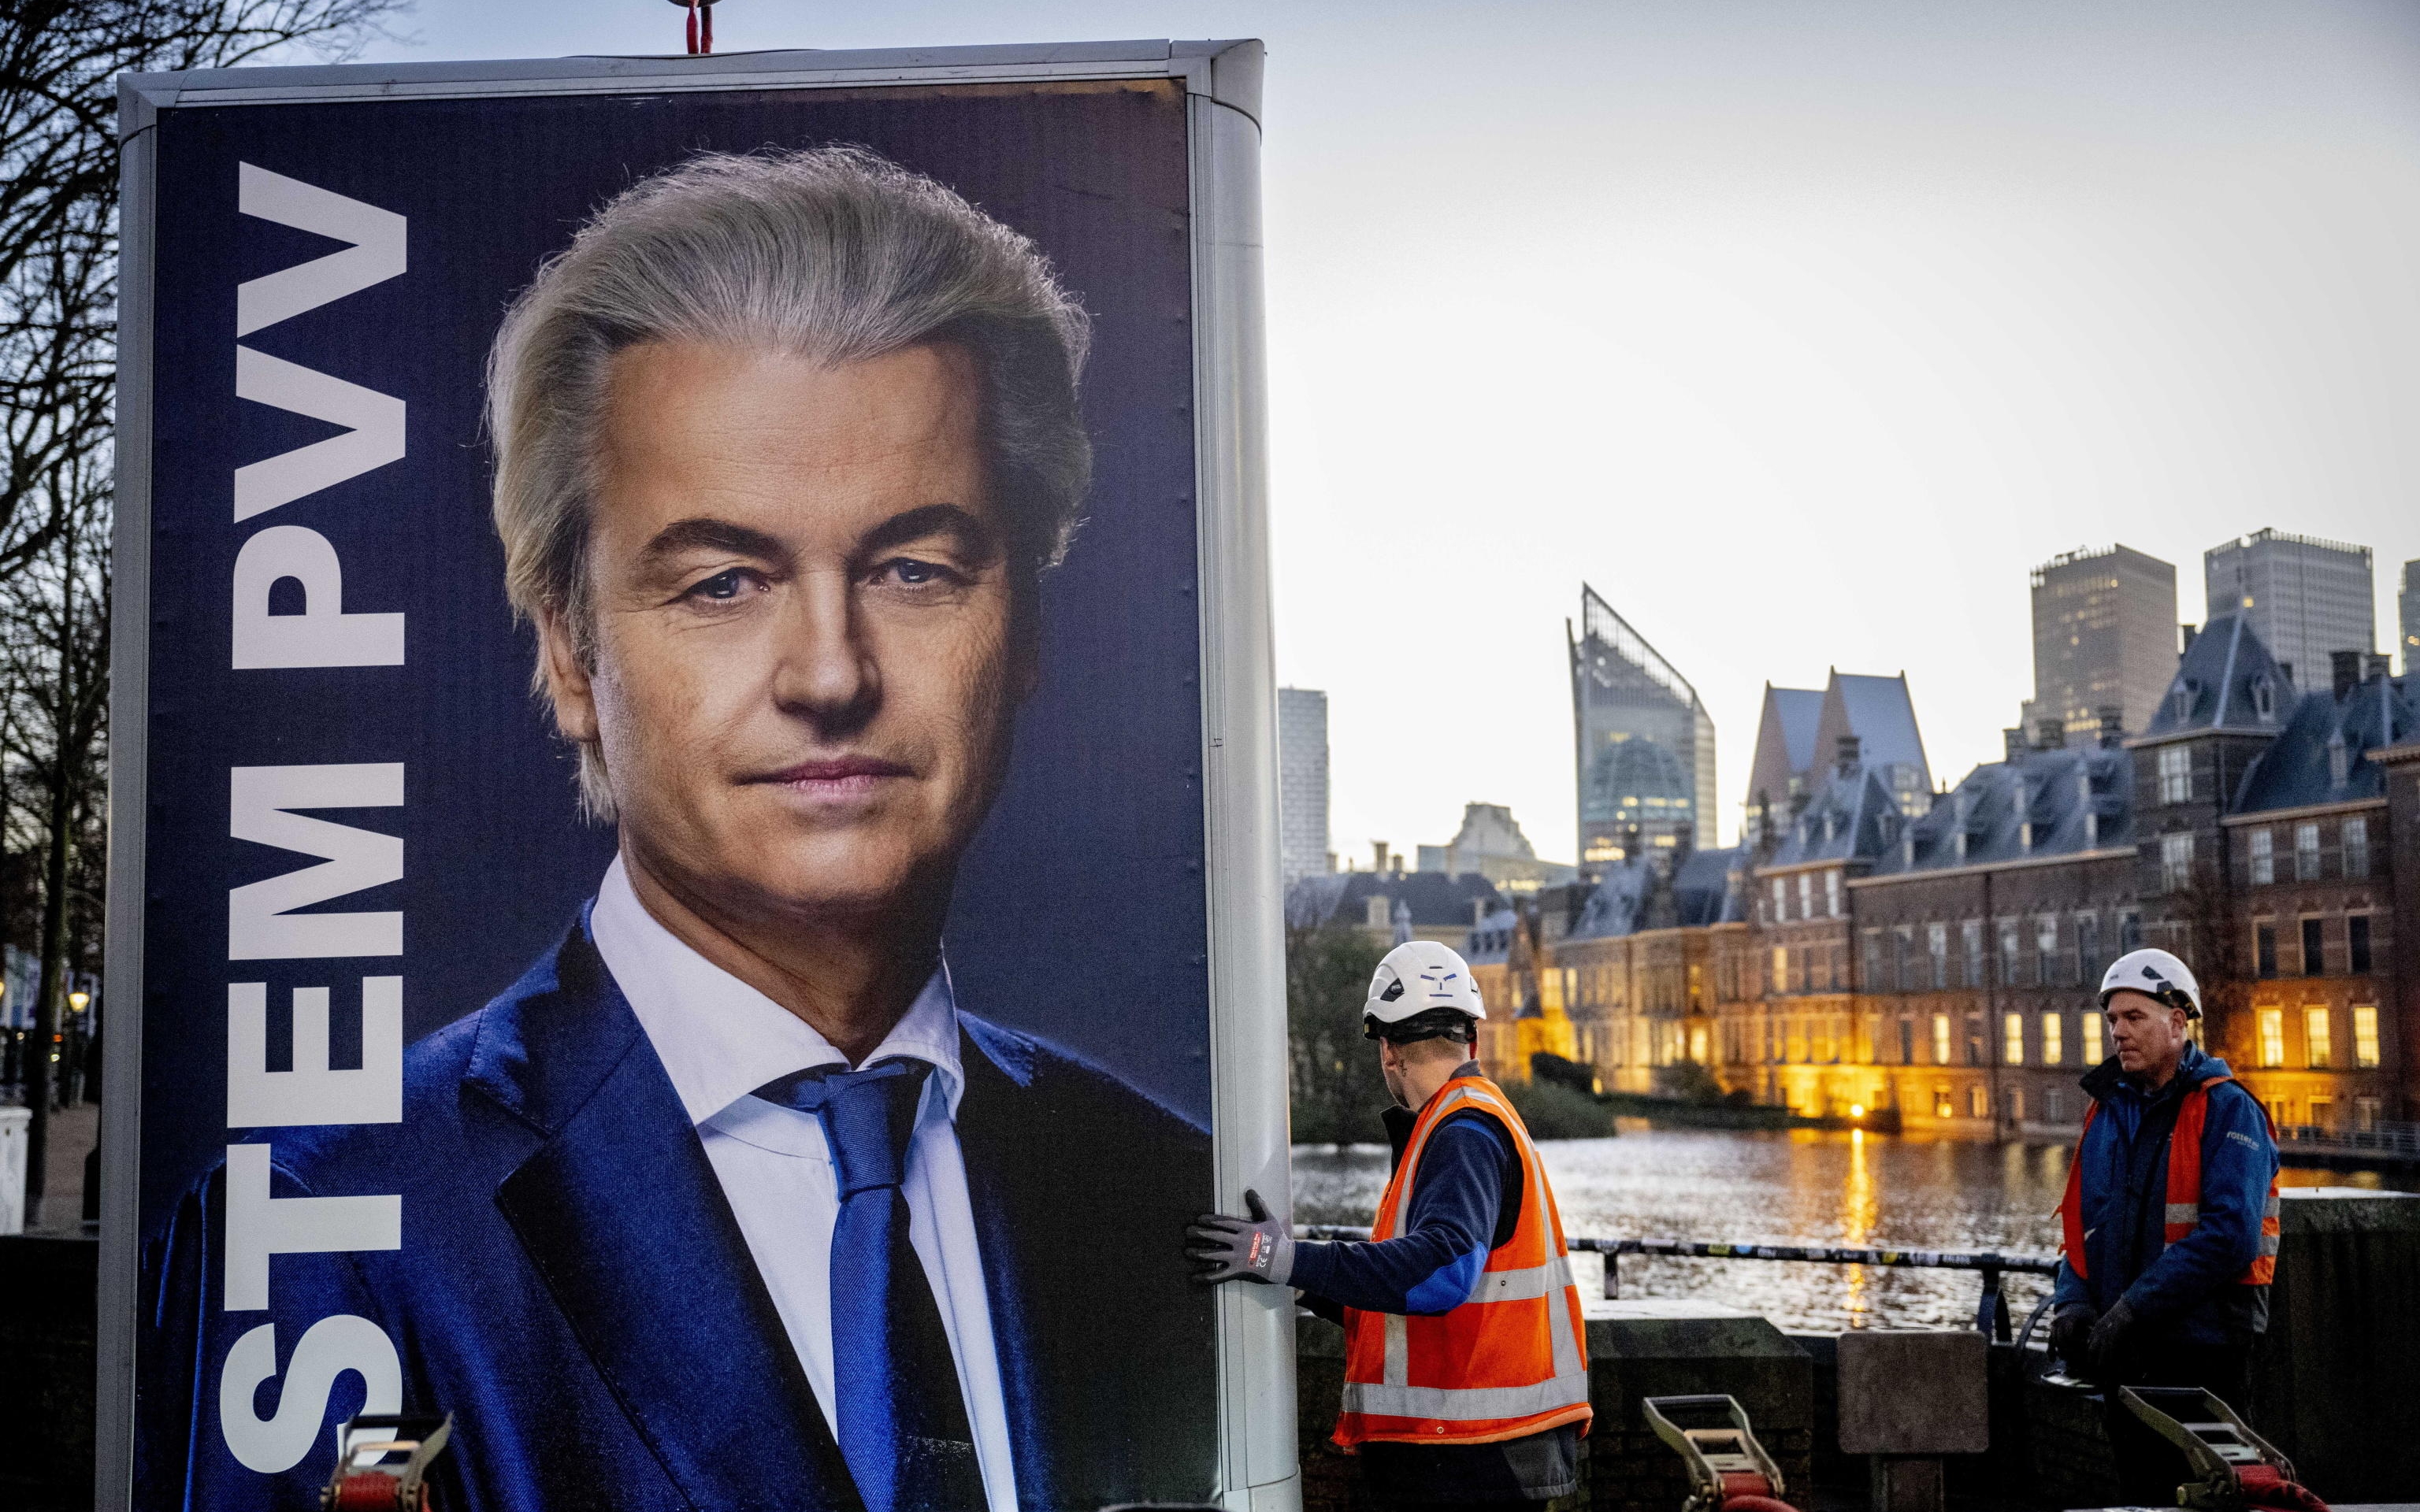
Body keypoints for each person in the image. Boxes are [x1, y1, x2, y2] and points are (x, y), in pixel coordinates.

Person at [145, 147, 1209, 1512]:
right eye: (721, 582)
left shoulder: (1157, 1186)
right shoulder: (328, 1226)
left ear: (1027, 632)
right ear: (572, 656)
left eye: (913, 569)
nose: (829, 673)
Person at [1190, 941, 1591, 1511]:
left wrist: (1283, 1258)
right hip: (1474, 1450)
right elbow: (1409, 1294)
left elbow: (1443, 1272)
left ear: (1388, 1050)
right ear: (1470, 1039)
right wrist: (1299, 1277)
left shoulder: (1462, 1132)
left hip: (1466, 1457)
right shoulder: (1464, 1122)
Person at [2048, 947, 2281, 1505]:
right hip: (2127, 1353)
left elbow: (2230, 1236)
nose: (2117, 1033)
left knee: (2208, 1495)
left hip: (2203, 1356)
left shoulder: (2228, 1110)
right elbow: (2086, 1224)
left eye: (2134, 1018)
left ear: (2178, 1023)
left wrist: (2132, 1308)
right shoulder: (2109, 1109)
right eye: (2112, 1020)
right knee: (2143, 1494)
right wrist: (2072, 1300)